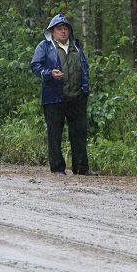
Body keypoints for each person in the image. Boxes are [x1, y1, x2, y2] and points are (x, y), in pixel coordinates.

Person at [30, 14, 97, 176]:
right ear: (52, 31)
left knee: (79, 133)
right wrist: (49, 73)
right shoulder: (44, 46)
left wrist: (85, 90)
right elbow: (35, 66)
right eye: (59, 29)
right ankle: (58, 168)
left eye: (66, 28)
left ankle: (81, 168)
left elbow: (84, 68)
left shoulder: (76, 46)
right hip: (54, 98)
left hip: (77, 97)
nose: (63, 32)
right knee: (54, 134)